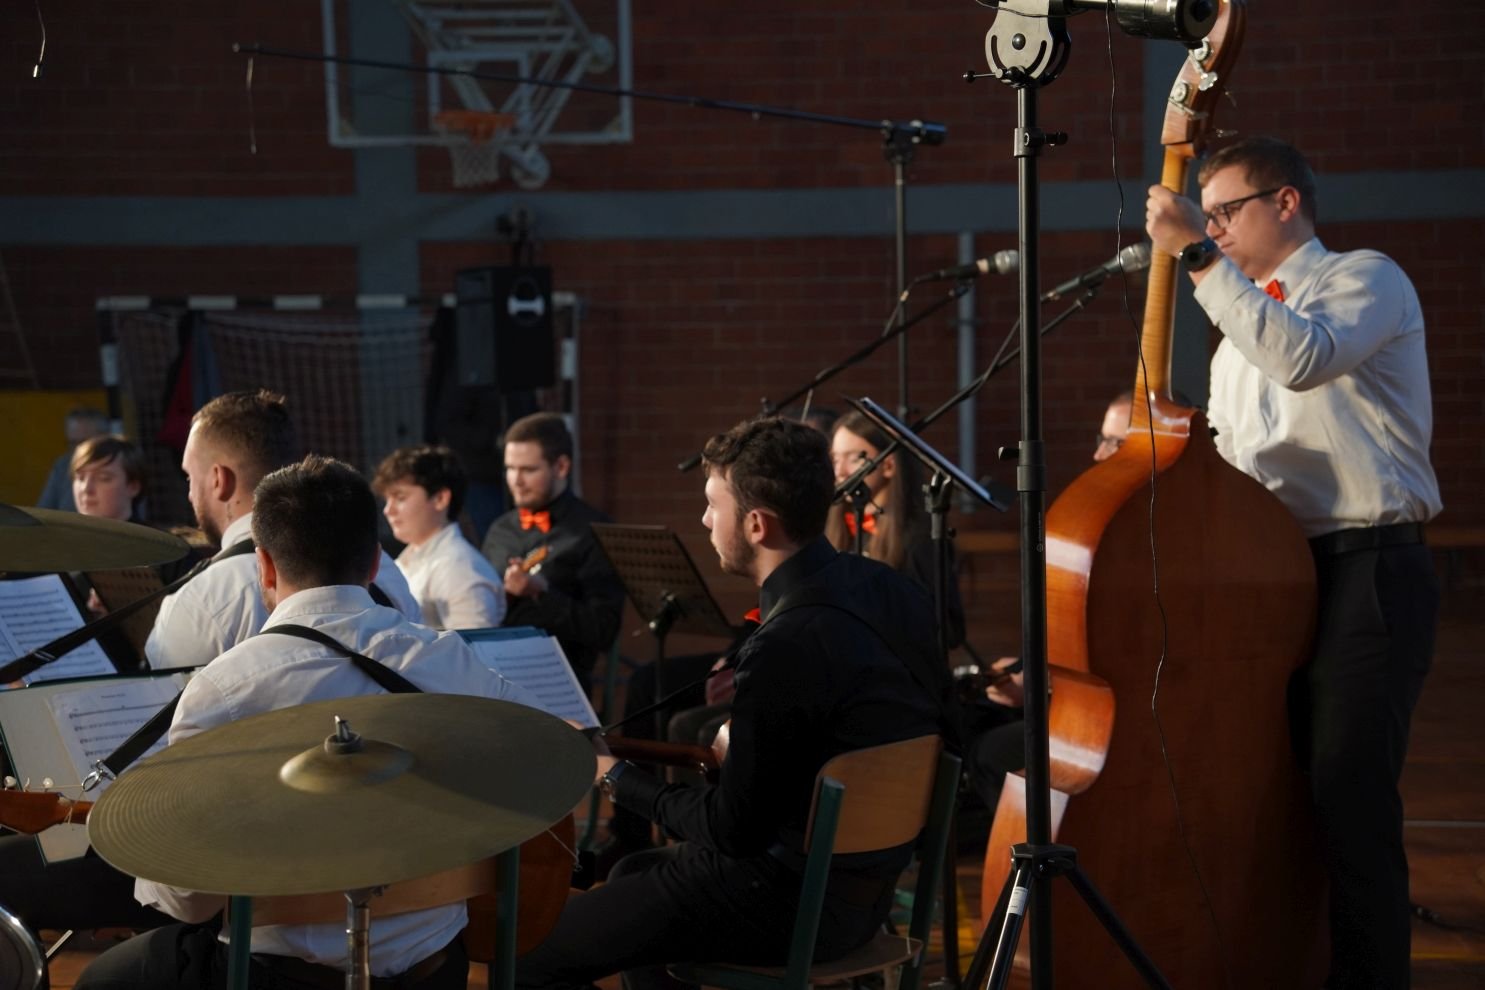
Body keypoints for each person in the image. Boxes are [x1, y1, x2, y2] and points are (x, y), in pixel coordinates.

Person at [1145, 136, 1441, 990]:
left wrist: (1197, 260)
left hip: (1365, 572)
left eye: (1223, 212)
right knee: (1271, 801)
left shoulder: (1363, 277)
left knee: (1350, 807)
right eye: (1203, 218)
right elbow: (1238, 466)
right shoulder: (1235, 333)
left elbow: (1304, 357)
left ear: (1284, 203)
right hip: (1273, 583)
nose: (1211, 229)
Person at [515, 417, 956, 990]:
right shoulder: (893, 590)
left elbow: (731, 831)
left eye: (711, 505)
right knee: (632, 868)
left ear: (755, 524)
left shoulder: (787, 644)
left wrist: (615, 776)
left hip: (785, 904)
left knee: (525, 953)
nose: (703, 521)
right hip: (864, 898)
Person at [74, 455, 536, 990]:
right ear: (374, 565)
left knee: (99, 980)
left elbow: (191, 901)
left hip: (274, 977)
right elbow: (545, 754)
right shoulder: (453, 661)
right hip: (433, 970)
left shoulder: (224, 689)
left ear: (264, 567)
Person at [146, 389, 420, 671]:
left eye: (190, 477)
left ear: (218, 480)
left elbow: (166, 705)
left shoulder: (200, 601)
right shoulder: (387, 571)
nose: (189, 494)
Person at [481, 412, 624, 693]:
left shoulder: (593, 532)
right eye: (510, 468)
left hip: (559, 680)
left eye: (528, 470)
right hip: (494, 675)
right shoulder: (500, 531)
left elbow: (604, 629)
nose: (516, 481)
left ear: (561, 466)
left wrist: (543, 594)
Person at [374, 444, 507, 630]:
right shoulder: (409, 558)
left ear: (440, 499)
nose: (388, 510)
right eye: (387, 499)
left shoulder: (461, 568)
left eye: (400, 498)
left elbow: (473, 651)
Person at [36, 406, 110, 511]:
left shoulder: (119, 468)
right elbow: (43, 512)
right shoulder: (63, 466)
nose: (78, 450)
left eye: (84, 443)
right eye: (73, 443)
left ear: (104, 438)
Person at [70, 434, 144, 522]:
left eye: (103, 478)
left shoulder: (151, 536)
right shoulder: (62, 535)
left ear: (133, 487)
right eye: (81, 478)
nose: (86, 488)